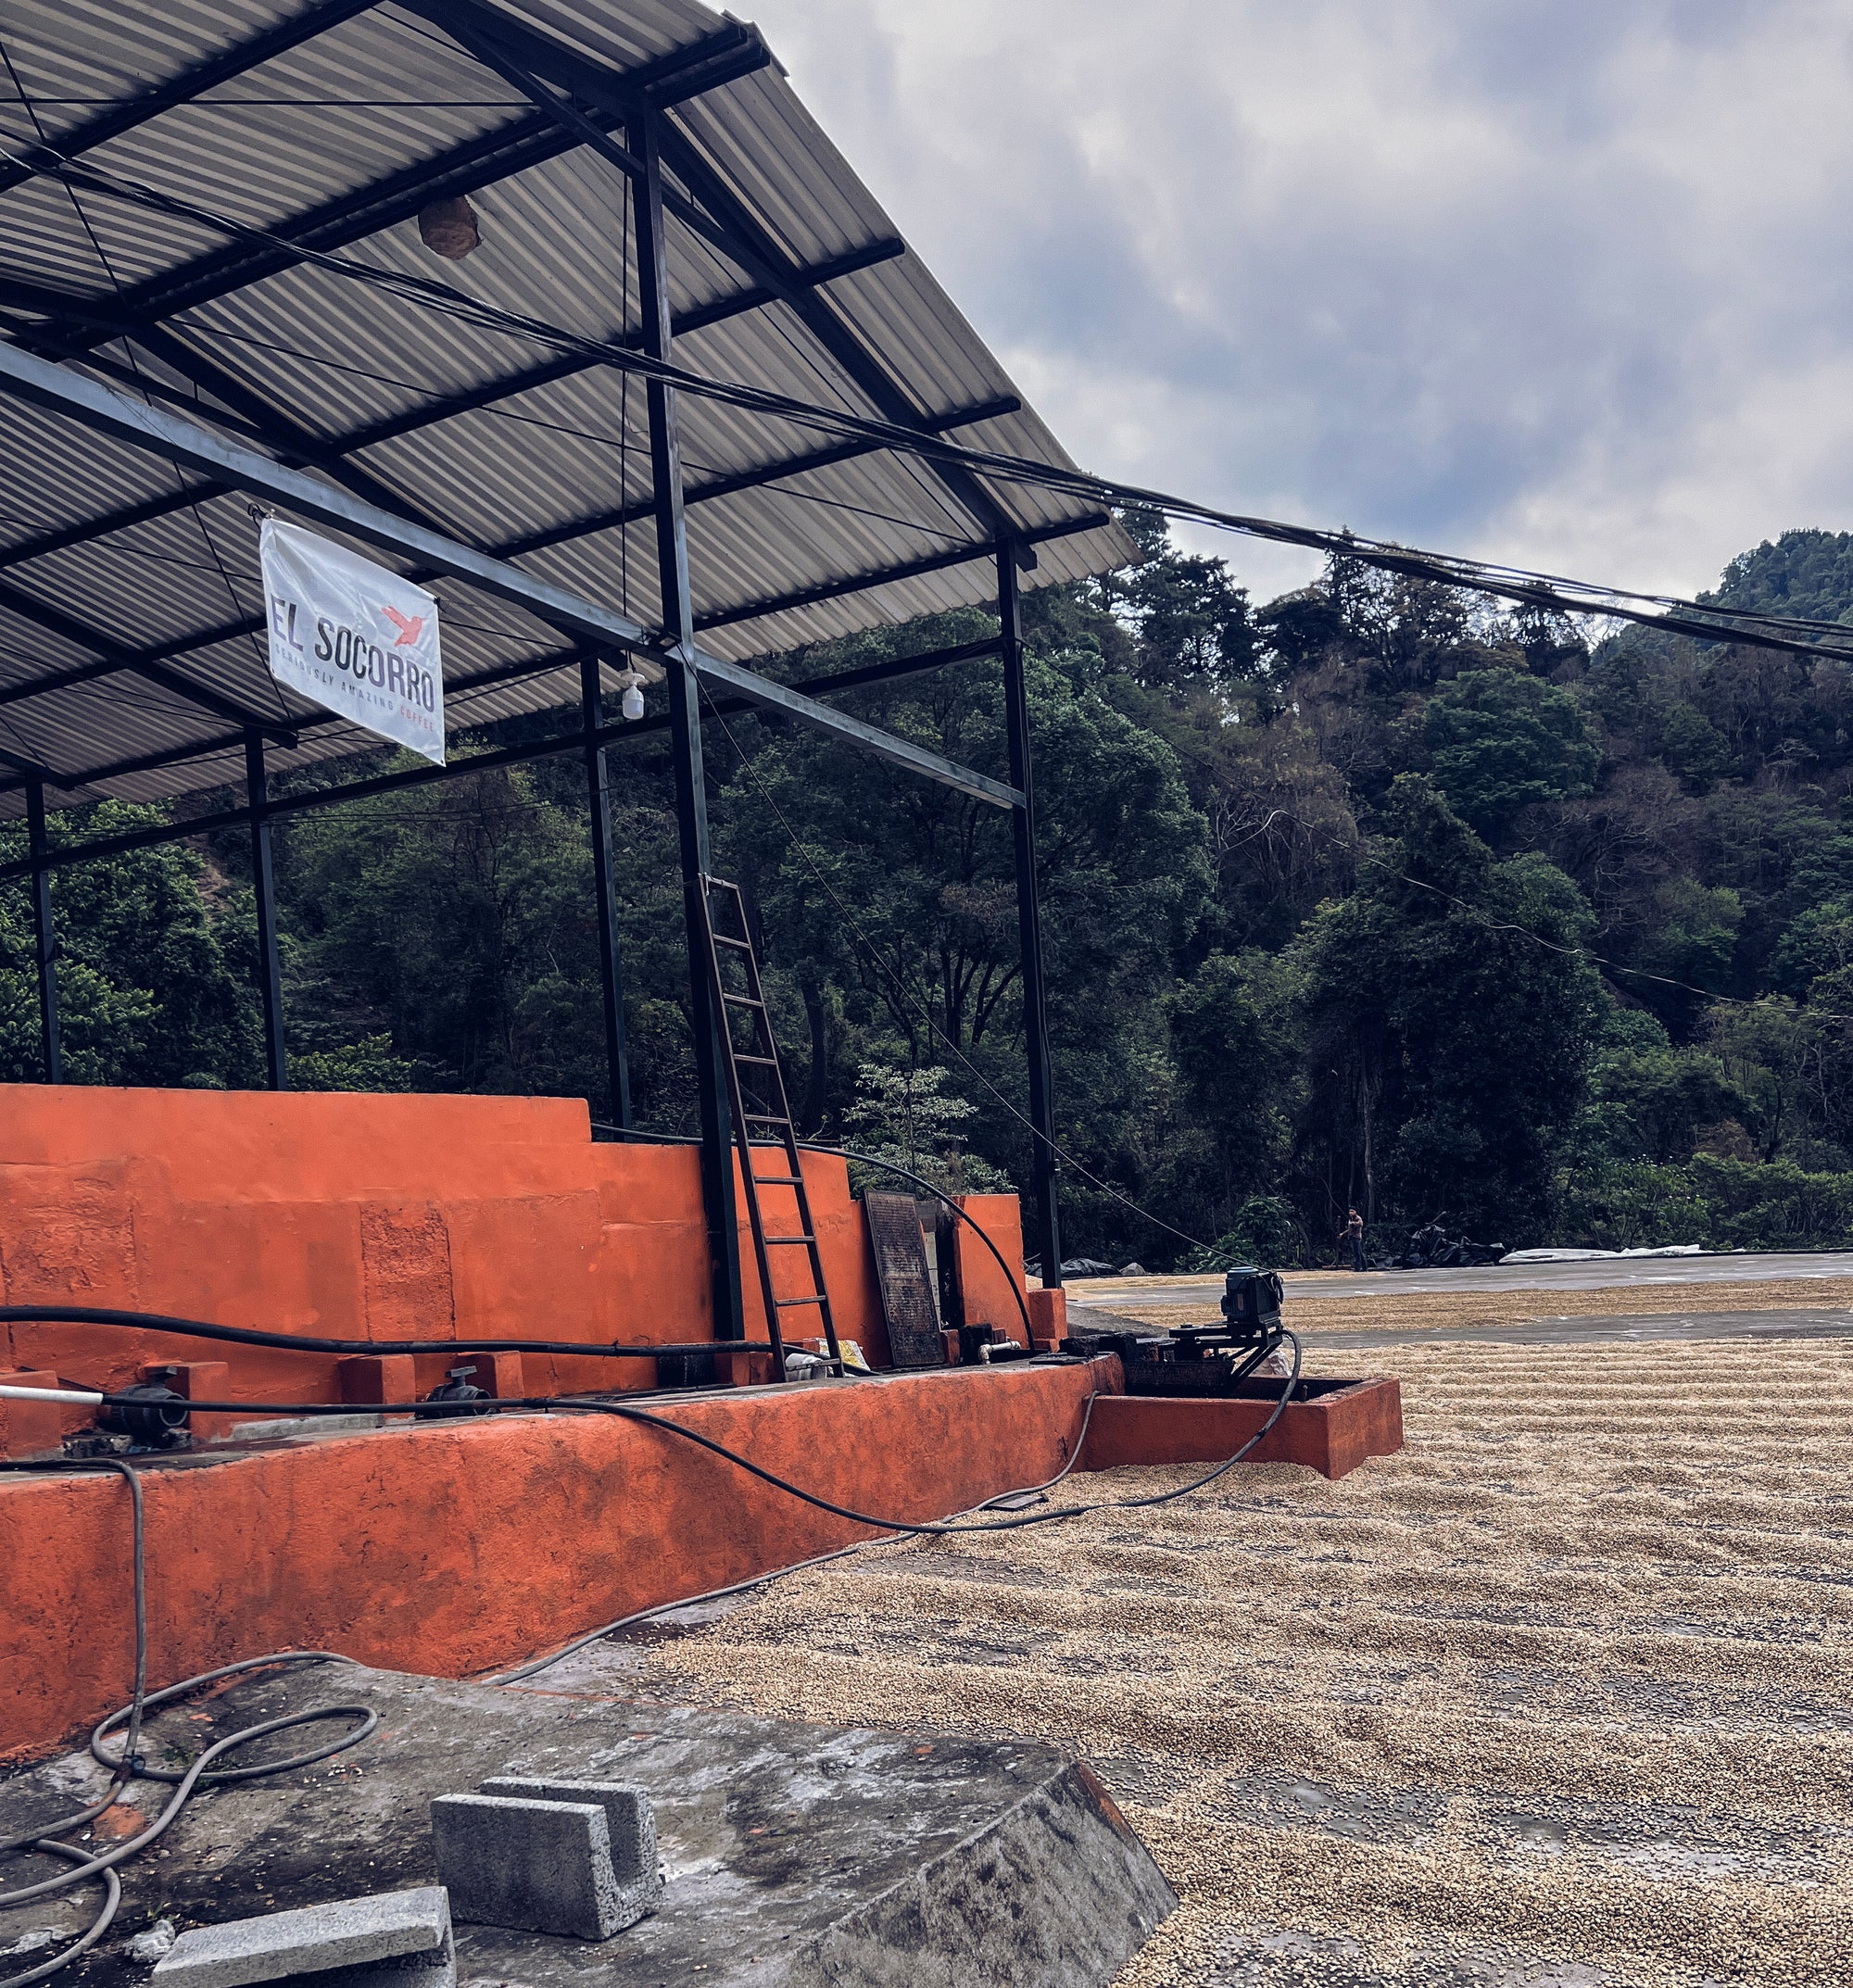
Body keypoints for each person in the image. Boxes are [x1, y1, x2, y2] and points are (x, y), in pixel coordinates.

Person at [1341, 1208, 1366, 1273]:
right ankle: (1364, 1267)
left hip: (1356, 1237)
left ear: (1355, 1212)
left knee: (1357, 1253)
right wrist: (1343, 1233)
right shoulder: (1351, 1219)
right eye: (1349, 1211)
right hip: (1352, 1237)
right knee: (1359, 1253)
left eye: (1352, 1211)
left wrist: (1353, 1223)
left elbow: (1361, 1224)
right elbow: (1349, 1229)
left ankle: (1358, 1268)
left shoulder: (1358, 1218)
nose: (1350, 1213)